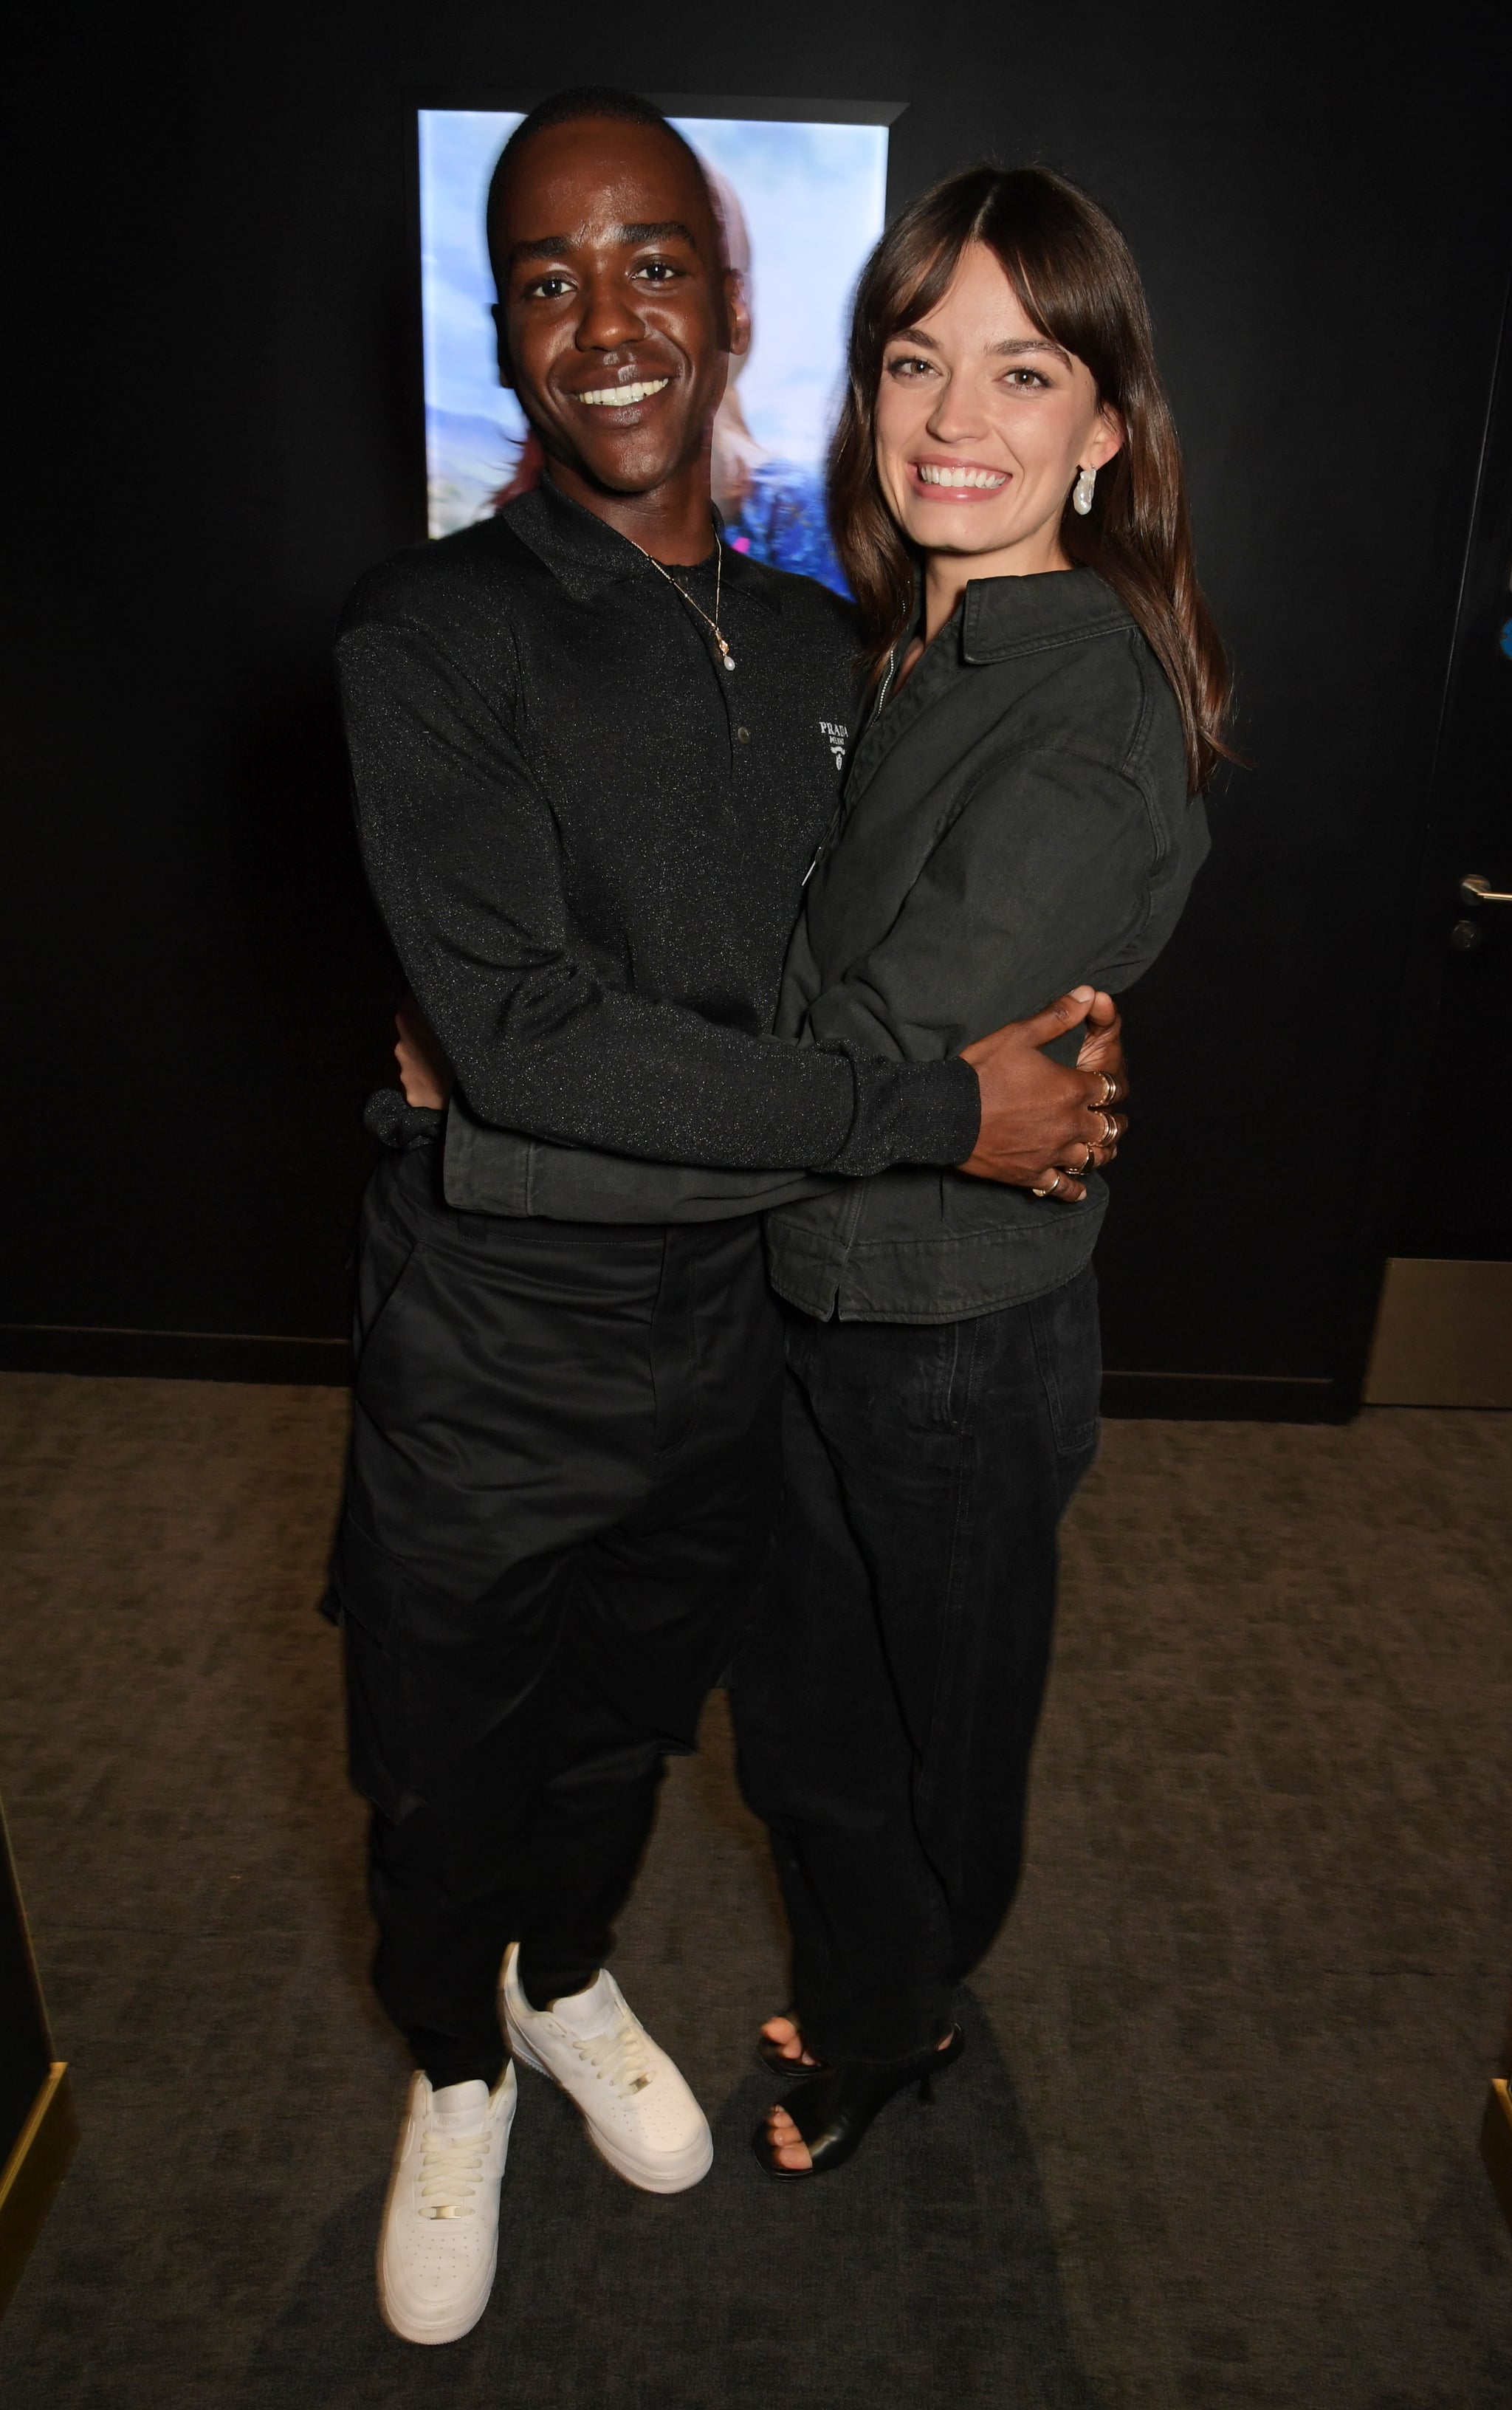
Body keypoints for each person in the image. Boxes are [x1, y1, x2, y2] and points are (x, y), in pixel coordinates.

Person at [331, 89, 1130, 2345]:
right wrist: (926, 1113)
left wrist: (1030, 1086)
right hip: (490, 1348)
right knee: (436, 1771)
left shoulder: (821, 648)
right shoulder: (431, 631)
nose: (608, 321)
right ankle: (461, 2063)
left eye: (653, 264)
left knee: (621, 1746)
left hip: (733, 1345)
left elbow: (890, 975)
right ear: (503, 329)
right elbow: (542, 1050)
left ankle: (570, 1985)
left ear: (731, 297)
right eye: (550, 279)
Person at [732, 163, 1228, 2177]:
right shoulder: (912, 655)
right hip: (808, 1290)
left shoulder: (1085, 704)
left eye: (1023, 373)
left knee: (923, 1741)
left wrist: (575, 1039)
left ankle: (897, 2018)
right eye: (916, 360)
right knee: (803, 1722)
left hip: (949, 1334)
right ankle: (874, 1980)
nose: (955, 419)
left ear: (1106, 428)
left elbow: (856, 1044)